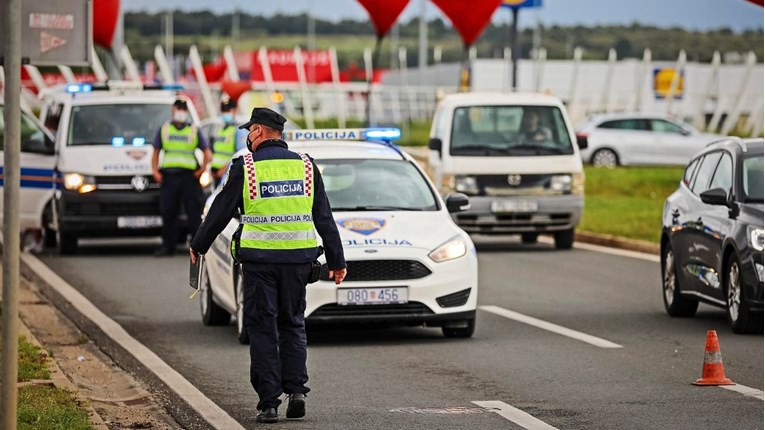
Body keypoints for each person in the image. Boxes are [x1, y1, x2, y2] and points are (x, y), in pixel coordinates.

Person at [189, 107, 347, 424]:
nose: (248, 137)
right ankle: (297, 391)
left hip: (260, 263)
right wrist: (336, 261)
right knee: (293, 325)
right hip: (299, 262)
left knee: (262, 329)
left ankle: (269, 403)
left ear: (259, 131)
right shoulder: (305, 166)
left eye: (249, 131)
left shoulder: (245, 167)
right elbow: (323, 216)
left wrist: (198, 245)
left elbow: (220, 212)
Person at [151, 99, 211, 256]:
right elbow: (156, 151)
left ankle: (197, 247)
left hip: (189, 177)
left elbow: (207, 152)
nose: (181, 112)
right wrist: (155, 172)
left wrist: (201, 170)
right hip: (169, 177)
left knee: (194, 212)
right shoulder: (164, 129)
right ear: (173, 110)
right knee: (168, 211)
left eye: (183, 109)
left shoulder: (193, 130)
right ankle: (168, 246)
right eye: (179, 108)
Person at [209, 98, 247, 185]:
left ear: (234, 111)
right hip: (215, 173)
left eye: (227, 110)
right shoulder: (219, 129)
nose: (225, 113)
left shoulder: (239, 130)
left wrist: (225, 170)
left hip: (228, 173)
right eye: (223, 110)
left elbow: (240, 154)